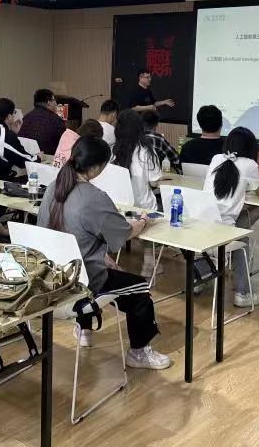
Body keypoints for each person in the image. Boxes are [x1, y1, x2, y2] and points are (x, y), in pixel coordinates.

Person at [37, 137, 170, 369]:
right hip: (85, 283)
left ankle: (85, 330)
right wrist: (143, 221)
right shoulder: (93, 197)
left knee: (110, 272)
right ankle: (139, 352)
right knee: (140, 288)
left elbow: (70, 236)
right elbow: (124, 233)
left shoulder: (53, 187)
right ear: (97, 168)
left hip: (54, 278)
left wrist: (103, 255)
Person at [204, 126, 259, 308]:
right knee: (242, 237)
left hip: (201, 224)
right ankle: (242, 292)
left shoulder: (217, 158)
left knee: (239, 227)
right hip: (222, 232)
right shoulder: (250, 165)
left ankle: (200, 278)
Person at [112, 110, 163, 278]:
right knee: (156, 206)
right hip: (143, 212)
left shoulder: (113, 151)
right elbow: (154, 182)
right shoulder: (146, 151)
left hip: (118, 212)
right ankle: (148, 261)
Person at [0, 98, 38, 180]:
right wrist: (38, 157)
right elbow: (24, 161)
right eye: (14, 113)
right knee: (35, 179)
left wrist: (13, 133)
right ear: (8, 117)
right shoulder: (6, 135)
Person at [18, 89, 66, 155]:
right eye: (54, 100)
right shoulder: (56, 120)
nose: (56, 103)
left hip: (27, 157)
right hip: (47, 158)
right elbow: (65, 143)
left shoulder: (27, 117)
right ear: (49, 102)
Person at [141, 110, 182, 174]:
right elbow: (176, 158)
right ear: (156, 125)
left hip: (137, 175)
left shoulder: (134, 138)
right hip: (155, 175)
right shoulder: (158, 139)